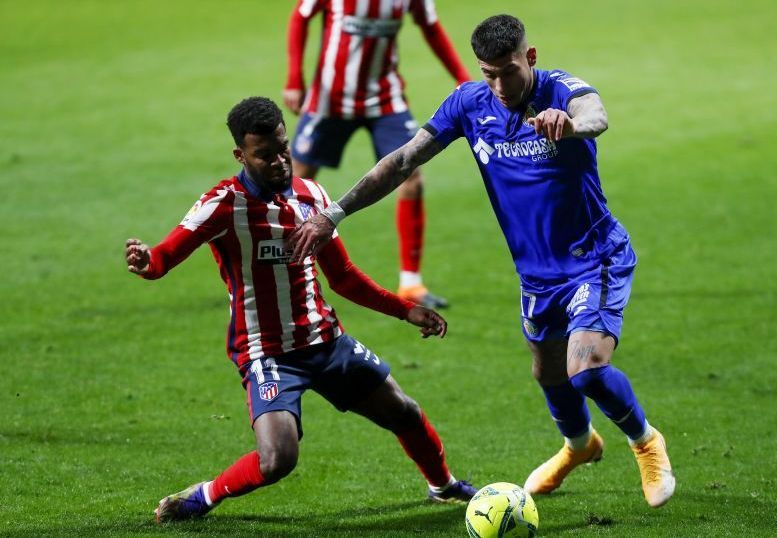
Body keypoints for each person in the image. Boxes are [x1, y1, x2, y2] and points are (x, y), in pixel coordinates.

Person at [288, 14, 676, 508]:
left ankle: (645, 441)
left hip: (593, 257)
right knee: (548, 373)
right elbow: (403, 160)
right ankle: (580, 445)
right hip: (536, 272)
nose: (498, 85)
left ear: (529, 58)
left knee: (587, 368)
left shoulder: (563, 91)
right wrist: (334, 213)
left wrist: (572, 125)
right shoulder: (470, 105)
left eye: (507, 72)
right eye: (488, 73)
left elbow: (597, 114)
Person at [124, 97, 476, 523]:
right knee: (278, 459)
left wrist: (406, 311)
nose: (280, 162)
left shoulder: (312, 196)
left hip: (327, 342)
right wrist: (147, 262)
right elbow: (164, 256)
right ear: (241, 155)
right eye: (265, 155)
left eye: (283, 149)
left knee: (404, 411)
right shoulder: (223, 204)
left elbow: (342, 276)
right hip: (267, 352)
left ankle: (444, 486)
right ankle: (203, 496)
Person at [283, 0, 472, 308]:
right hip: (331, 99)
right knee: (292, 182)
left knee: (412, 178)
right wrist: (294, 78)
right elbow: (300, 17)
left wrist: (462, 78)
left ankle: (411, 284)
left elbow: (431, 27)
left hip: (385, 99)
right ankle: (276, 270)